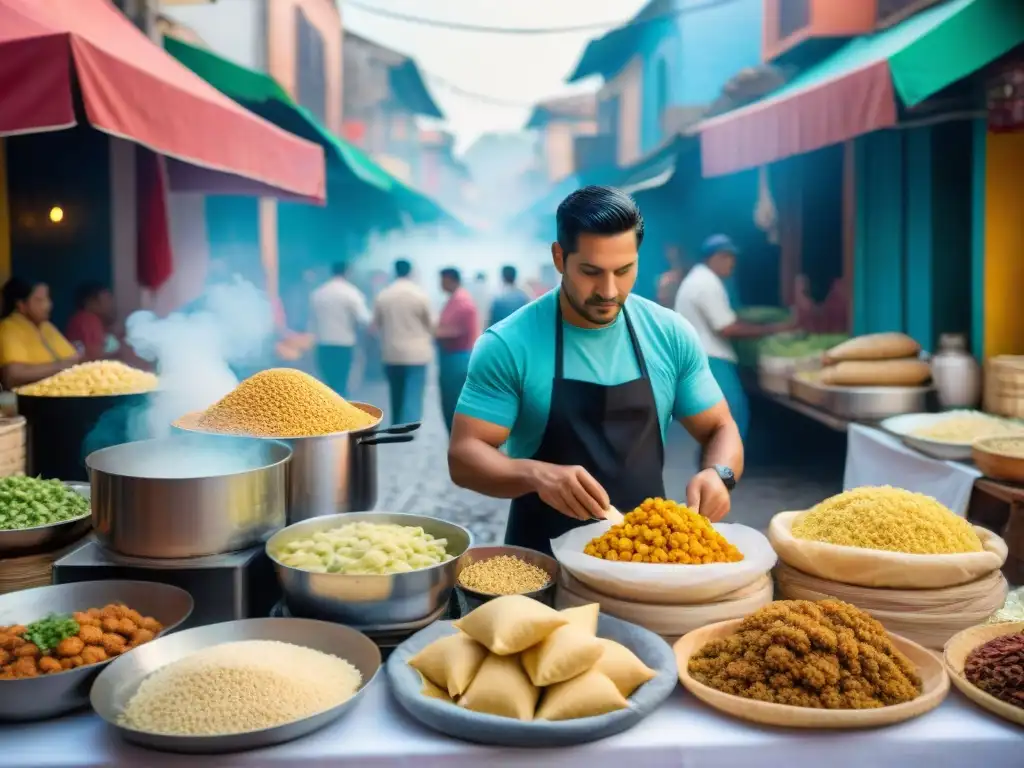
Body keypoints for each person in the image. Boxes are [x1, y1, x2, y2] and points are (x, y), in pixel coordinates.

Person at [447, 187, 743, 556]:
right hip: (542, 561)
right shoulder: (508, 344)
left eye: (624, 271)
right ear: (559, 257)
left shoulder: (670, 334)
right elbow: (464, 455)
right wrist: (535, 474)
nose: (608, 291)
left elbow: (720, 427)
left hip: (647, 556)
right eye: (591, 272)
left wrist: (720, 474)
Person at [674, 234, 794, 440]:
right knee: (732, 417)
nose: (733, 263)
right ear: (714, 258)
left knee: (716, 421)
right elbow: (727, 328)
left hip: (700, 359)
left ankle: (713, 467)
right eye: (728, 257)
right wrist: (774, 329)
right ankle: (724, 468)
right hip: (711, 361)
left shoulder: (698, 279)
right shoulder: (706, 283)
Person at [374, 259, 434, 424]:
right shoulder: (420, 295)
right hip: (417, 354)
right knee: (414, 391)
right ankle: (410, 424)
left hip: (391, 352)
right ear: (411, 272)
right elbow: (431, 324)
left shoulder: (383, 295)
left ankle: (397, 422)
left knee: (396, 391)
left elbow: (376, 325)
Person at [0, 277, 79, 389]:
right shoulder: (8, 328)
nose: (48, 305)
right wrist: (62, 366)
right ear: (21, 305)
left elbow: (74, 359)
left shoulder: (46, 326)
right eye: (39, 300)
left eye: (48, 299)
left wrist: (64, 366)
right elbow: (14, 375)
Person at [309, 261, 371, 398]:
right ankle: (341, 414)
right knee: (341, 383)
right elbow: (364, 319)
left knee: (327, 384)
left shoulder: (318, 293)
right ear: (348, 272)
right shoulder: (351, 293)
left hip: (323, 343)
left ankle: (327, 414)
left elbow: (312, 319)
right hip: (344, 343)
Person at [436, 267, 479, 434]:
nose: (440, 284)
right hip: (451, 358)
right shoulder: (454, 299)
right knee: (449, 401)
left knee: (454, 401)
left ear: (451, 280)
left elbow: (455, 331)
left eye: (443, 280)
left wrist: (432, 332)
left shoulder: (462, 302)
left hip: (458, 359)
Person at [66, 283, 120, 361]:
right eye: (106, 300)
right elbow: (95, 358)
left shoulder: (99, 323)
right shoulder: (87, 320)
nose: (111, 305)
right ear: (91, 303)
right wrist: (122, 354)